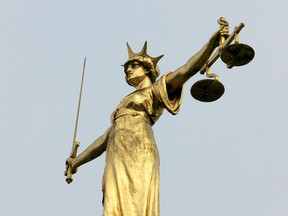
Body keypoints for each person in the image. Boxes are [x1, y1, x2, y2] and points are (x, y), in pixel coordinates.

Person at [66, 23, 228, 216]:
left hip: (139, 146)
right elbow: (103, 140)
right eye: (126, 68)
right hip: (117, 152)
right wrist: (76, 162)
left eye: (134, 66)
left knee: (139, 200)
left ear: (148, 69)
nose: (128, 70)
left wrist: (211, 44)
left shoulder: (155, 90)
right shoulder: (122, 106)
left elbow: (187, 69)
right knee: (113, 206)